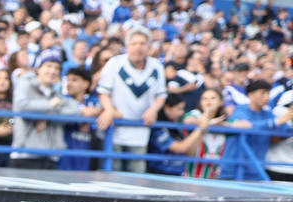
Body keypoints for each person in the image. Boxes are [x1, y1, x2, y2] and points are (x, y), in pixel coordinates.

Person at [95, 27, 167, 173]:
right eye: (134, 44)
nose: (138, 47)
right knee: (111, 174)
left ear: (148, 47)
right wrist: (109, 109)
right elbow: (103, 92)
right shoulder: (115, 63)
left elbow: (161, 95)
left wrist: (154, 109)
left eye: (142, 43)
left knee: (136, 176)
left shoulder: (157, 66)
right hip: (115, 129)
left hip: (140, 131)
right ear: (127, 47)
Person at [10, 48, 82, 169]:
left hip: (50, 156)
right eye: (48, 66)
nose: (53, 71)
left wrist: (47, 117)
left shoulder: (55, 92)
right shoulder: (26, 83)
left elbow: (75, 111)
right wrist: (49, 105)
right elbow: (21, 106)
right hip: (25, 154)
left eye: (57, 68)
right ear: (39, 68)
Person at [221, 79, 293, 180]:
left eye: (268, 93)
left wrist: (289, 119)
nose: (266, 97)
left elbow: (285, 129)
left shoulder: (267, 114)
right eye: (262, 93)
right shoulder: (240, 110)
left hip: (256, 171)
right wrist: (277, 121)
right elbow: (245, 125)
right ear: (250, 95)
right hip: (233, 171)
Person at [144, 93, 223, 177]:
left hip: (178, 174)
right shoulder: (158, 129)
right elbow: (180, 148)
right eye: (179, 109)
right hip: (160, 174)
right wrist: (200, 128)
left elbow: (189, 153)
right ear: (167, 108)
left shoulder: (176, 127)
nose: (182, 113)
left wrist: (203, 127)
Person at [59, 66, 104, 171]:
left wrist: (90, 119)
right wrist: (86, 117)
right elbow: (87, 112)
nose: (69, 83)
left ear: (85, 84)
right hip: (65, 159)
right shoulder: (63, 100)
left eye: (74, 80)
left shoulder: (93, 101)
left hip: (88, 158)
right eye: (68, 80)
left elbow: (106, 111)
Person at [182, 87, 226, 178]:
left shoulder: (223, 120)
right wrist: (209, 122)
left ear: (221, 102)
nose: (208, 101)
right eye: (204, 98)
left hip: (214, 177)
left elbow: (245, 125)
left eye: (213, 98)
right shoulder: (196, 113)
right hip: (191, 175)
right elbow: (188, 120)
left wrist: (224, 124)